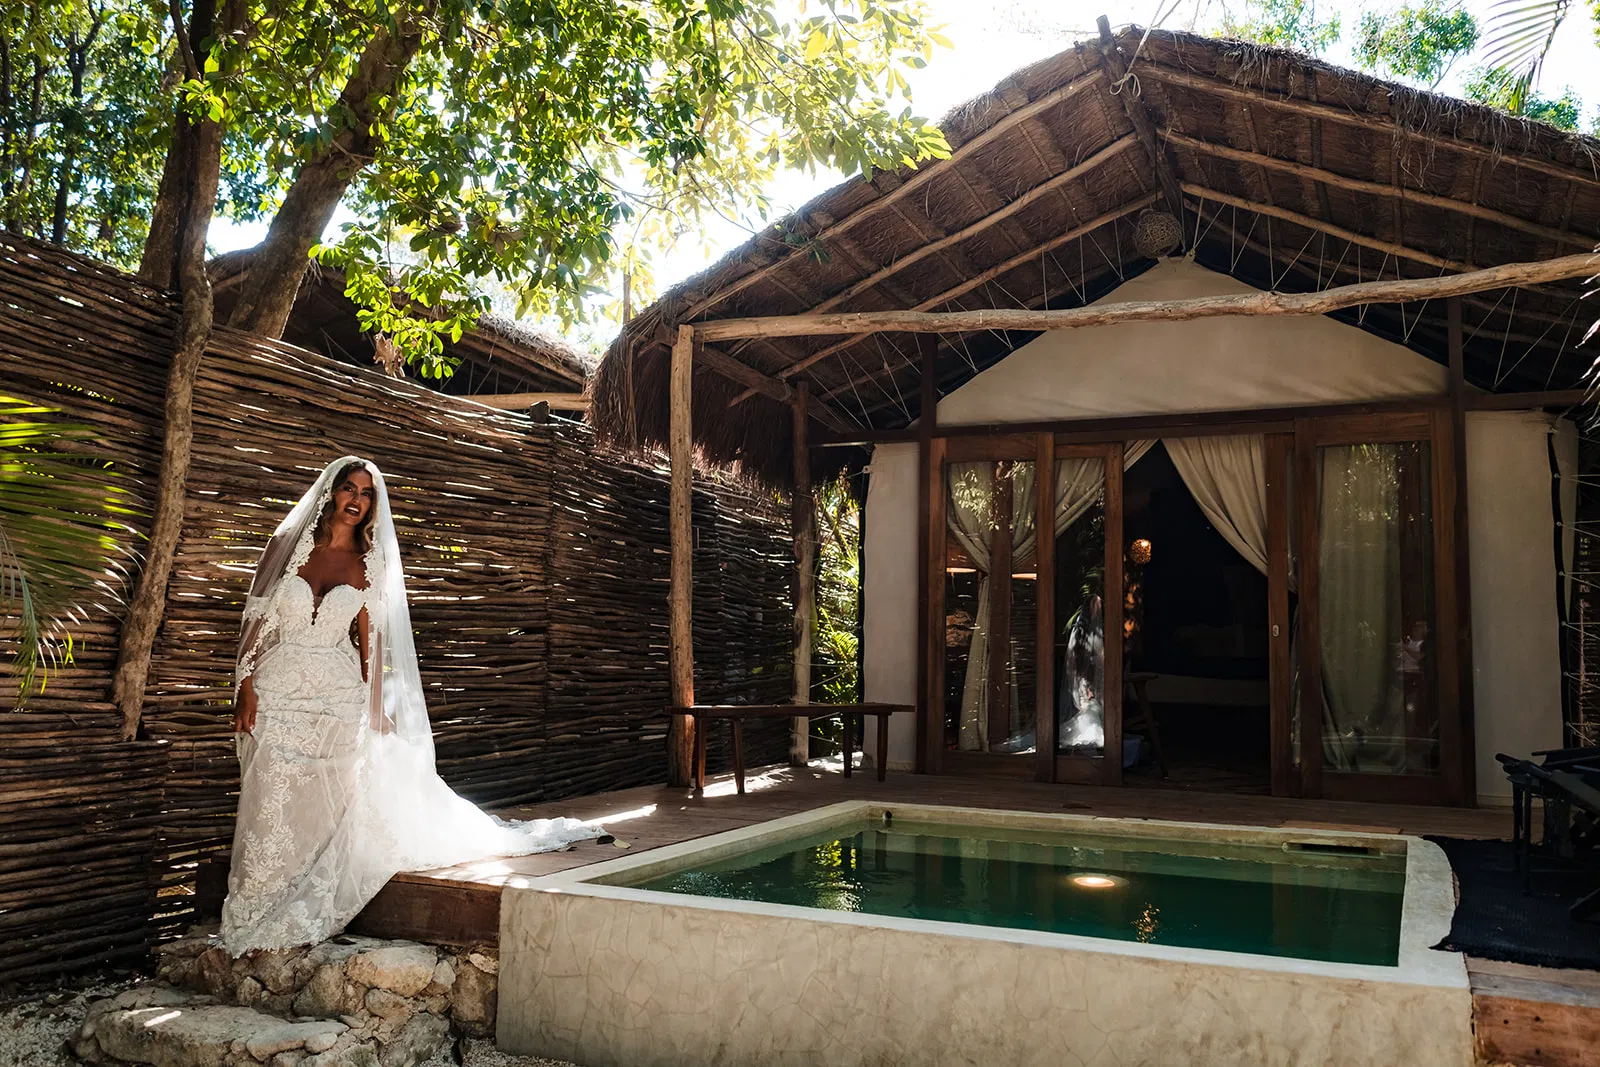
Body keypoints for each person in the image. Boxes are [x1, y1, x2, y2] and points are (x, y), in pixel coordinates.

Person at [222, 457, 599, 956]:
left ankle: (303, 888)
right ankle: (257, 896)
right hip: (275, 687)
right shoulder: (286, 548)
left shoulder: (368, 564)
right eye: (349, 489)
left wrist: (376, 709)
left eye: (367, 494)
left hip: (335, 692)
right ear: (331, 493)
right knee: (269, 784)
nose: (357, 500)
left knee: (331, 791)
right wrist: (244, 685)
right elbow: (255, 623)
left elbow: (371, 646)